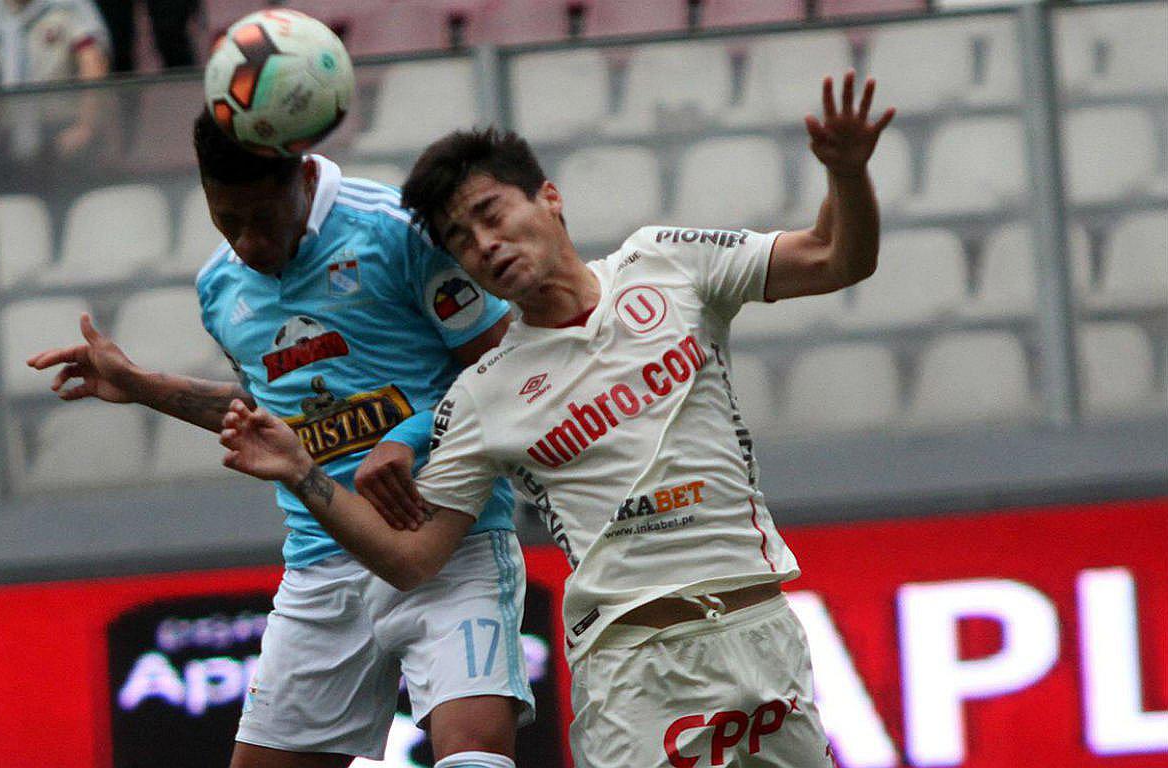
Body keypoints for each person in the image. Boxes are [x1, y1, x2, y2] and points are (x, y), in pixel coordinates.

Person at [217, 70, 895, 767]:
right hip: (636, 673)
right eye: (460, 239)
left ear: (549, 198)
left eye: (491, 213)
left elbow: (838, 257)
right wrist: (302, 471)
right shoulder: (484, 394)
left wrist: (848, 174)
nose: (484, 244)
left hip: (760, 637)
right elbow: (411, 561)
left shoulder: (668, 262)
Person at [26, 110, 531, 768]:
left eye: (260, 219)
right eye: (224, 220)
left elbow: (501, 368)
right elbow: (270, 423)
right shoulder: (219, 288)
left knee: (474, 757)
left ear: (302, 176)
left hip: (449, 541)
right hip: (322, 563)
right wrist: (142, 385)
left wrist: (408, 436)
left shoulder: (398, 231)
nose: (246, 242)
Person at [0, 0, 110, 158]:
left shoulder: (70, 4)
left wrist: (86, 126)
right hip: (9, 132)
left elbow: (92, 64)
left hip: (61, 127)